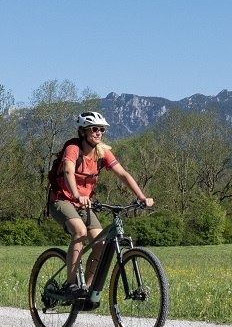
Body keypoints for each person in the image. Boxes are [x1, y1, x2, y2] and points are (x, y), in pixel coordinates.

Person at [47, 111, 156, 299]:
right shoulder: (73, 148)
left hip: (83, 205)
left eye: (102, 130)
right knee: (80, 231)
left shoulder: (102, 152)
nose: (99, 133)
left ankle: (85, 290)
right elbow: (67, 171)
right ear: (83, 132)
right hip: (61, 200)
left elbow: (123, 174)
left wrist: (142, 197)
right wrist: (76, 194)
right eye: (94, 129)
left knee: (101, 244)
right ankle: (71, 285)